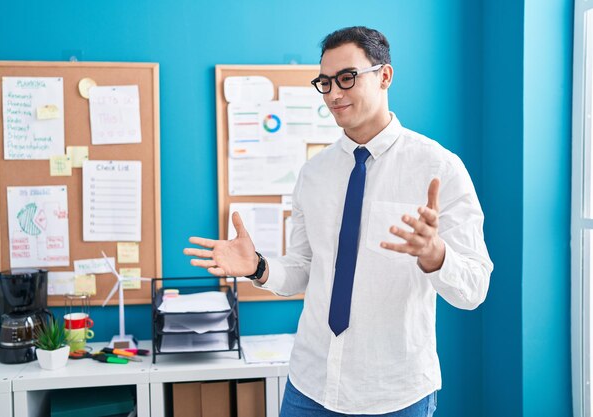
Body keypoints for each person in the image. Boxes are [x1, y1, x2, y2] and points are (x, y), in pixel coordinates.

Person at [184, 26, 492, 417]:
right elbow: (304, 269)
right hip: (310, 384)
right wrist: (258, 267)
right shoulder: (314, 174)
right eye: (324, 82)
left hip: (395, 392)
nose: (333, 93)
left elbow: (474, 288)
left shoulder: (438, 168)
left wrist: (436, 256)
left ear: (384, 76)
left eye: (347, 78)